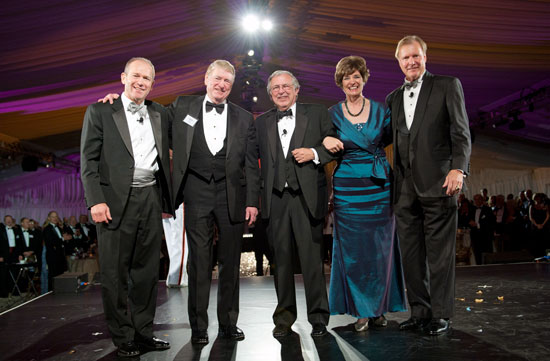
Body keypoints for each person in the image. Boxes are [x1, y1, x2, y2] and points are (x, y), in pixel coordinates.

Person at [81, 57, 172, 358]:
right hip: (113, 202)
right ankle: (123, 336)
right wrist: (95, 199)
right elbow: (88, 161)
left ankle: (144, 332)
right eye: (136, 76)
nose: (141, 82)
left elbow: (191, 118)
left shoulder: (160, 112)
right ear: (122, 77)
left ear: (152, 83)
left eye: (147, 78)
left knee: (147, 273)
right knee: (114, 274)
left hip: (150, 198)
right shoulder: (100, 110)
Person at [168, 60, 260, 345]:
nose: (222, 86)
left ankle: (228, 324)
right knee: (199, 261)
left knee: (231, 261)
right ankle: (198, 327)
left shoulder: (245, 118)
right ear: (206, 78)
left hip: (232, 193)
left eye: (227, 83)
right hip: (196, 191)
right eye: (218, 79)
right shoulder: (182, 105)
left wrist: (253, 201)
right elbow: (151, 116)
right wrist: (115, 101)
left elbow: (251, 165)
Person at [386, 35, 471, 335]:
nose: (411, 62)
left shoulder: (448, 85)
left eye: (415, 56)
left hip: (440, 183)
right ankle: (419, 312)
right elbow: (380, 137)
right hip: (404, 189)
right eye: (405, 58)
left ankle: (441, 314)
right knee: (410, 256)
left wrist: (458, 168)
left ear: (425, 57)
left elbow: (461, 132)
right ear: (398, 62)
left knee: (440, 255)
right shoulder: (393, 98)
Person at [321, 56, 407, 332]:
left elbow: (396, 139)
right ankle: (361, 310)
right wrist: (325, 139)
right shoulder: (331, 113)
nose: (352, 81)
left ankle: (380, 308)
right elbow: (320, 138)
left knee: (381, 250)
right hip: (347, 188)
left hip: (379, 186)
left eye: (356, 76)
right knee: (354, 252)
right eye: (347, 77)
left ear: (364, 78)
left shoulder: (383, 110)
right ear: (340, 82)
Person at [255, 70, 335, 338]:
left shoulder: (318, 113)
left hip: (306, 198)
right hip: (275, 199)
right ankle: (284, 319)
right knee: (282, 262)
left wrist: (313, 153)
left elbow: (334, 145)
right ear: (270, 93)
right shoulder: (261, 122)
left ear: (297, 90)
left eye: (286, 86)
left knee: (312, 262)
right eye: (275, 87)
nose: (281, 91)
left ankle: (319, 319)